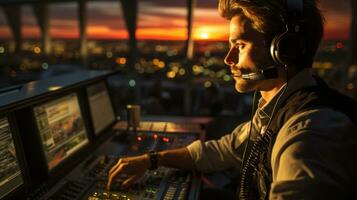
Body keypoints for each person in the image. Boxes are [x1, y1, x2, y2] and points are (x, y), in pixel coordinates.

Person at [107, 0, 357, 199]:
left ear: (283, 50)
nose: (228, 58)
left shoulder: (310, 135)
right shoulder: (277, 109)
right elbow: (222, 151)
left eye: (240, 44)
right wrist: (152, 160)